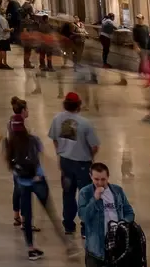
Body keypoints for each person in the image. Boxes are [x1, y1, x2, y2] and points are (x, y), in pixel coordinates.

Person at [49, 91, 101, 238]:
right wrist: (91, 157)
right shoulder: (85, 123)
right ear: (78, 105)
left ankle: (68, 225)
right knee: (85, 195)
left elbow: (54, 140)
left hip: (65, 163)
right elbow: (94, 146)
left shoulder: (57, 119)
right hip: (83, 164)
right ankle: (85, 227)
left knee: (67, 193)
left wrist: (61, 153)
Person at [7, 101, 52, 261]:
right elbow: (40, 153)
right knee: (50, 211)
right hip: (37, 179)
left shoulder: (10, 143)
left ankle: (31, 248)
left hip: (23, 181)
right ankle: (67, 243)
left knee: (27, 213)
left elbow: (10, 164)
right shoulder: (33, 140)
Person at [76, 161, 136, 267]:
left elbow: (129, 212)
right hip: (96, 249)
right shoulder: (85, 193)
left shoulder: (118, 191)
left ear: (108, 177)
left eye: (103, 179)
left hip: (117, 246)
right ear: (91, 177)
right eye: (96, 179)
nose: (100, 183)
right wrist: (94, 199)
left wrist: (123, 223)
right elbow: (83, 216)